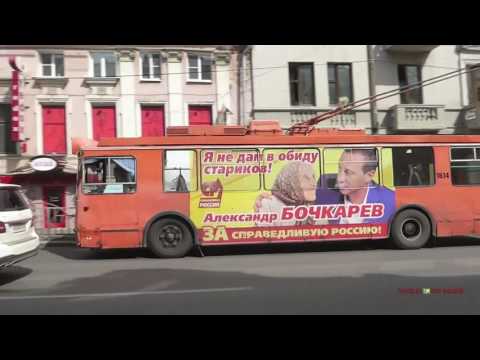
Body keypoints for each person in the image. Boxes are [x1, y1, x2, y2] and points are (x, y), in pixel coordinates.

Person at [315, 149, 395, 224]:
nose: (339, 179)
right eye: (340, 169)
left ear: (369, 175)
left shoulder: (390, 200)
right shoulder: (322, 197)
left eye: (348, 172)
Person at [256, 161, 327, 227]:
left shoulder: (317, 207)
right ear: (291, 182)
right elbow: (261, 236)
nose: (314, 184)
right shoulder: (268, 204)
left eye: (313, 177)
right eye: (306, 178)